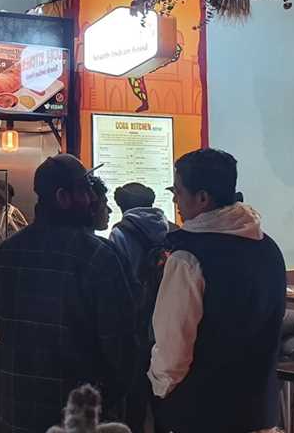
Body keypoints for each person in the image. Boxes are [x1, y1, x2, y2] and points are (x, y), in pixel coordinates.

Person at [0, 154, 138, 433]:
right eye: (85, 191)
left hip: (18, 411)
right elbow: (121, 348)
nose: (93, 200)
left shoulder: (6, 254)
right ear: (63, 197)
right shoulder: (98, 256)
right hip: (81, 418)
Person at [149, 148, 286, 433]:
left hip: (204, 412)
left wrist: (157, 388)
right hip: (259, 411)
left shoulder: (188, 258)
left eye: (178, 191)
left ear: (202, 198)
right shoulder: (269, 248)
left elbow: (174, 350)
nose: (175, 200)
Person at [109, 183, 169, 433]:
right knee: (162, 394)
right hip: (164, 319)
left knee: (135, 397)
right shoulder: (169, 228)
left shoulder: (120, 233)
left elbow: (117, 281)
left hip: (135, 322)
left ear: (122, 207)